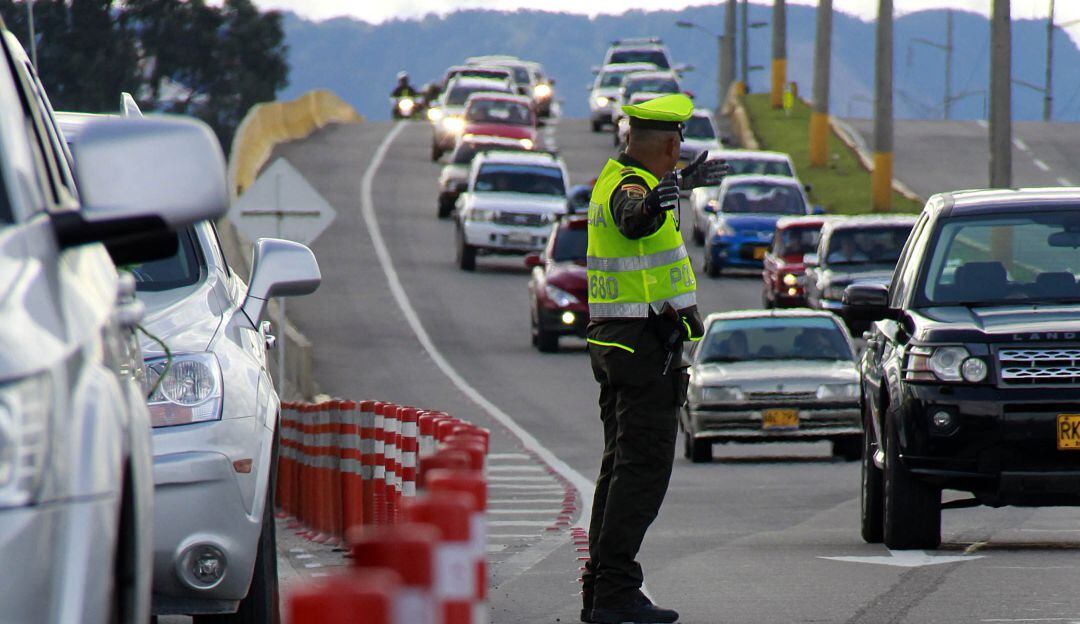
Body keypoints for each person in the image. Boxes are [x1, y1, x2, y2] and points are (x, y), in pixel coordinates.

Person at [583, 93, 729, 624]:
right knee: (643, 471)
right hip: (640, 351)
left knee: (619, 469)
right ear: (670, 143)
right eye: (679, 144)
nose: (680, 152)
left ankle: (601, 590)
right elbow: (633, 218)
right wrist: (655, 203)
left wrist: (676, 187)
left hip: (619, 345)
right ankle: (615, 592)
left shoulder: (614, 175)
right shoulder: (631, 188)